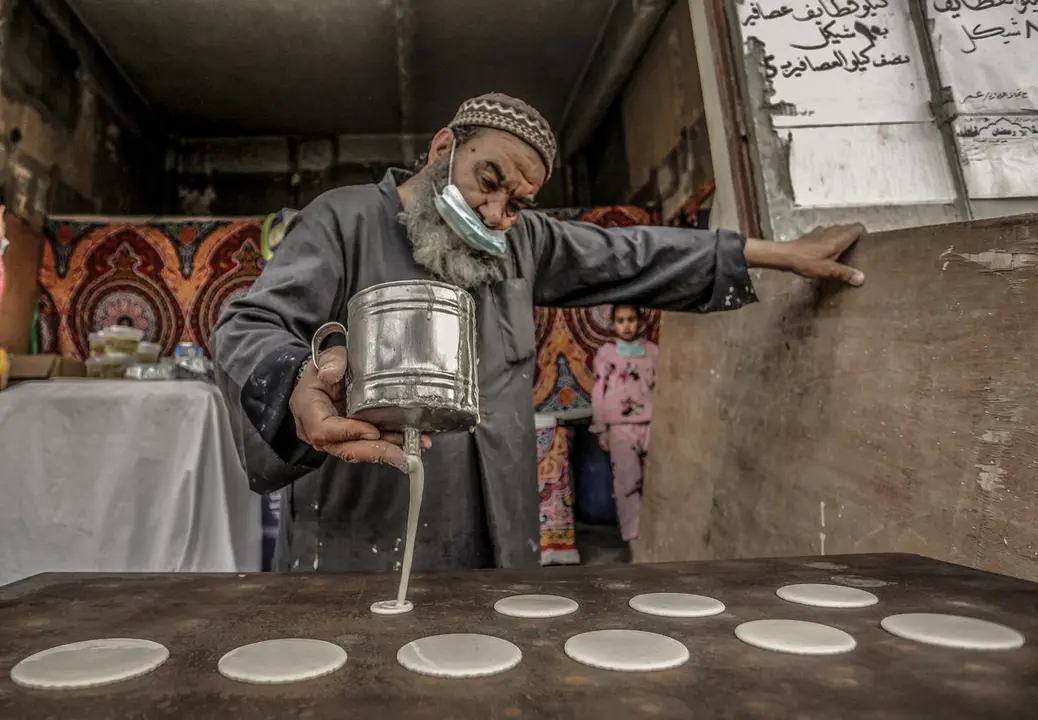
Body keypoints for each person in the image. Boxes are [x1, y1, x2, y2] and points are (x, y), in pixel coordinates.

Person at [210, 92, 865, 574]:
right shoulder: (344, 220)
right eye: (486, 181)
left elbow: (637, 255)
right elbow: (250, 323)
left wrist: (773, 253)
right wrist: (297, 385)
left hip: (495, 536)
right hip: (365, 535)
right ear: (444, 148)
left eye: (516, 203)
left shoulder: (519, 244)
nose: (494, 214)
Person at [590, 305, 656, 543]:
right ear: (613, 324)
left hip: (651, 423)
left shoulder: (652, 351)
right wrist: (601, 428)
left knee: (655, 479)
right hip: (619, 426)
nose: (626, 325)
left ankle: (655, 535)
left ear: (639, 321)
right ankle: (634, 539)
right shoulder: (606, 354)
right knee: (626, 481)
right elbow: (598, 391)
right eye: (620, 320)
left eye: (630, 319)